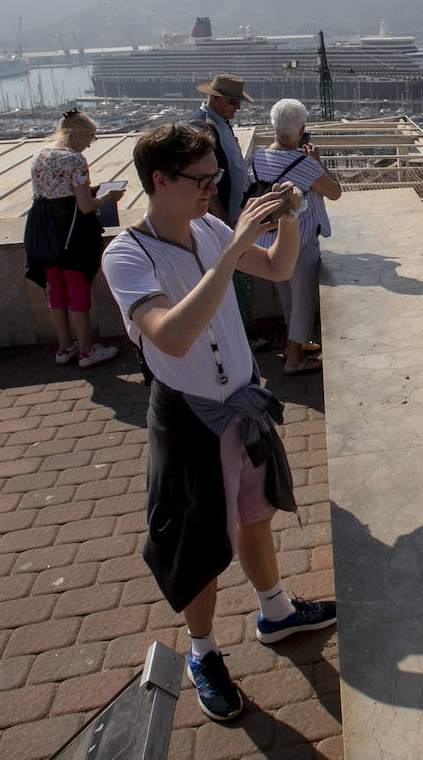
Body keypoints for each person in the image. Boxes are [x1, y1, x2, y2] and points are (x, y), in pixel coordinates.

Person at [100, 122, 337, 722]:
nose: (212, 189)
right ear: (160, 179)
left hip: (242, 405)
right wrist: (232, 252)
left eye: (216, 178)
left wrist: (290, 211)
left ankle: (275, 610)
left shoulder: (208, 226)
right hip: (188, 420)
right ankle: (202, 653)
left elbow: (281, 269)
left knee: (255, 519)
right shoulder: (127, 254)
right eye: (201, 180)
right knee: (201, 544)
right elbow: (171, 336)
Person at [23, 108, 123, 369]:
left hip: (44, 230)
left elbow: (51, 191)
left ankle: (64, 347)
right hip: (71, 231)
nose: (90, 144)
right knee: (77, 290)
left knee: (56, 290)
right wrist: (108, 197)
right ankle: (87, 352)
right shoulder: (74, 159)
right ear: (77, 133)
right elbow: (86, 207)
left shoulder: (40, 153)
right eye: (90, 137)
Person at [249, 99, 341, 374]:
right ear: (301, 130)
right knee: (303, 299)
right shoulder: (302, 162)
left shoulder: (257, 157)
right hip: (299, 241)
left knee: (287, 296)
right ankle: (293, 358)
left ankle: (296, 343)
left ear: (272, 126)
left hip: (268, 241)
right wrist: (318, 163)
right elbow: (334, 192)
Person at [189, 73, 266, 350]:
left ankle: (241, 336)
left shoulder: (218, 124)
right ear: (216, 98)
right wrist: (222, 221)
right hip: (221, 219)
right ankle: (240, 339)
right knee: (235, 280)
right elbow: (206, 183)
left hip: (231, 215)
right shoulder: (204, 128)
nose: (238, 107)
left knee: (236, 279)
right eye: (233, 101)